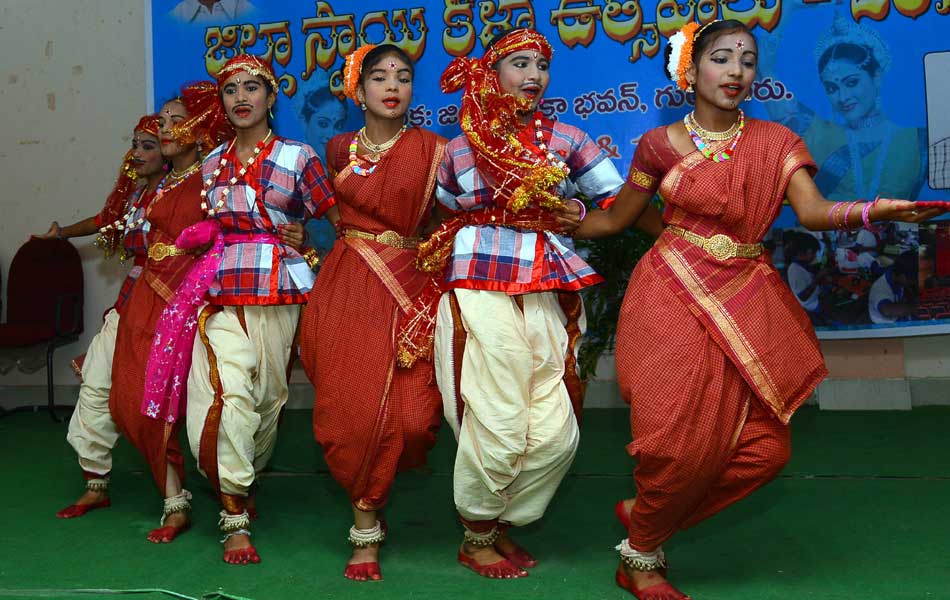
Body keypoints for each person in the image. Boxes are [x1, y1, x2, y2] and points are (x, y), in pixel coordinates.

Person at [572, 20, 941, 599]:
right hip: (669, 290)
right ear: (690, 72)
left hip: (744, 297)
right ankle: (642, 558)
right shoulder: (658, 145)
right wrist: (556, 218)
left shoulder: (777, 142)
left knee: (766, 451)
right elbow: (619, 219)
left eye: (747, 59)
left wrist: (878, 211)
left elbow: (814, 212)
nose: (737, 70)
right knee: (671, 442)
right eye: (722, 58)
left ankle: (648, 518)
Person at [422, 27, 638, 579]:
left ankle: (500, 520)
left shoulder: (567, 138)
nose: (533, 77)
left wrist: (583, 217)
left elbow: (616, 197)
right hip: (477, 285)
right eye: (519, 64)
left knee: (555, 430)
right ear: (492, 76)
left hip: (549, 287)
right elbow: (446, 209)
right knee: (495, 417)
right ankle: (476, 533)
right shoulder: (460, 146)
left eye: (541, 67)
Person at [298, 43, 446, 582]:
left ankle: (384, 483)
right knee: (355, 409)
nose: (392, 86)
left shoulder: (436, 149)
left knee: (411, 418)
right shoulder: (337, 148)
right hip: (349, 285)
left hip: (409, 283)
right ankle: (364, 527)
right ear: (356, 91)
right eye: (380, 77)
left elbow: (447, 218)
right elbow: (339, 216)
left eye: (403, 77)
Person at [184, 54, 336, 565]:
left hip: (277, 286)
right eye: (231, 90)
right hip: (219, 288)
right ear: (223, 102)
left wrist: (307, 237)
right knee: (228, 391)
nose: (242, 98)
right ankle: (233, 514)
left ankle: (245, 476)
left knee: (266, 399)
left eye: (253, 88)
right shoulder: (210, 164)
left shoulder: (298, 156)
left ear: (271, 98)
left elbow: (338, 222)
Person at [109, 82, 231, 543]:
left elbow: (229, 233)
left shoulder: (214, 177)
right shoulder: (162, 182)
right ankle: (174, 496)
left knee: (198, 404)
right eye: (161, 120)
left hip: (189, 297)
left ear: (201, 127)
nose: (165, 128)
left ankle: (224, 494)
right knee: (129, 399)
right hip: (147, 294)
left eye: (176, 120)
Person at [37, 115, 165, 519]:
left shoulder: (186, 191)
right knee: (97, 383)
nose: (138, 153)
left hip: (177, 300)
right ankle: (95, 483)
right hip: (132, 300)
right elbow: (105, 220)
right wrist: (61, 233)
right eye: (135, 144)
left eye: (149, 145)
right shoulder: (134, 197)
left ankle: (194, 491)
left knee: (163, 397)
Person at [762, 8, 926, 201]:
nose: (843, 97)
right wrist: (786, 10)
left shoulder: (918, 141)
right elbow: (765, 70)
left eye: (851, 83)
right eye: (832, 88)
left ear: (877, 77)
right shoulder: (820, 134)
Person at [868, 250, 918, 324]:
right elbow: (887, 311)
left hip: (897, 318)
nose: (914, 281)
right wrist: (916, 308)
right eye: (913, 279)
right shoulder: (880, 289)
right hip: (886, 327)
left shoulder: (896, 275)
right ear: (902, 276)